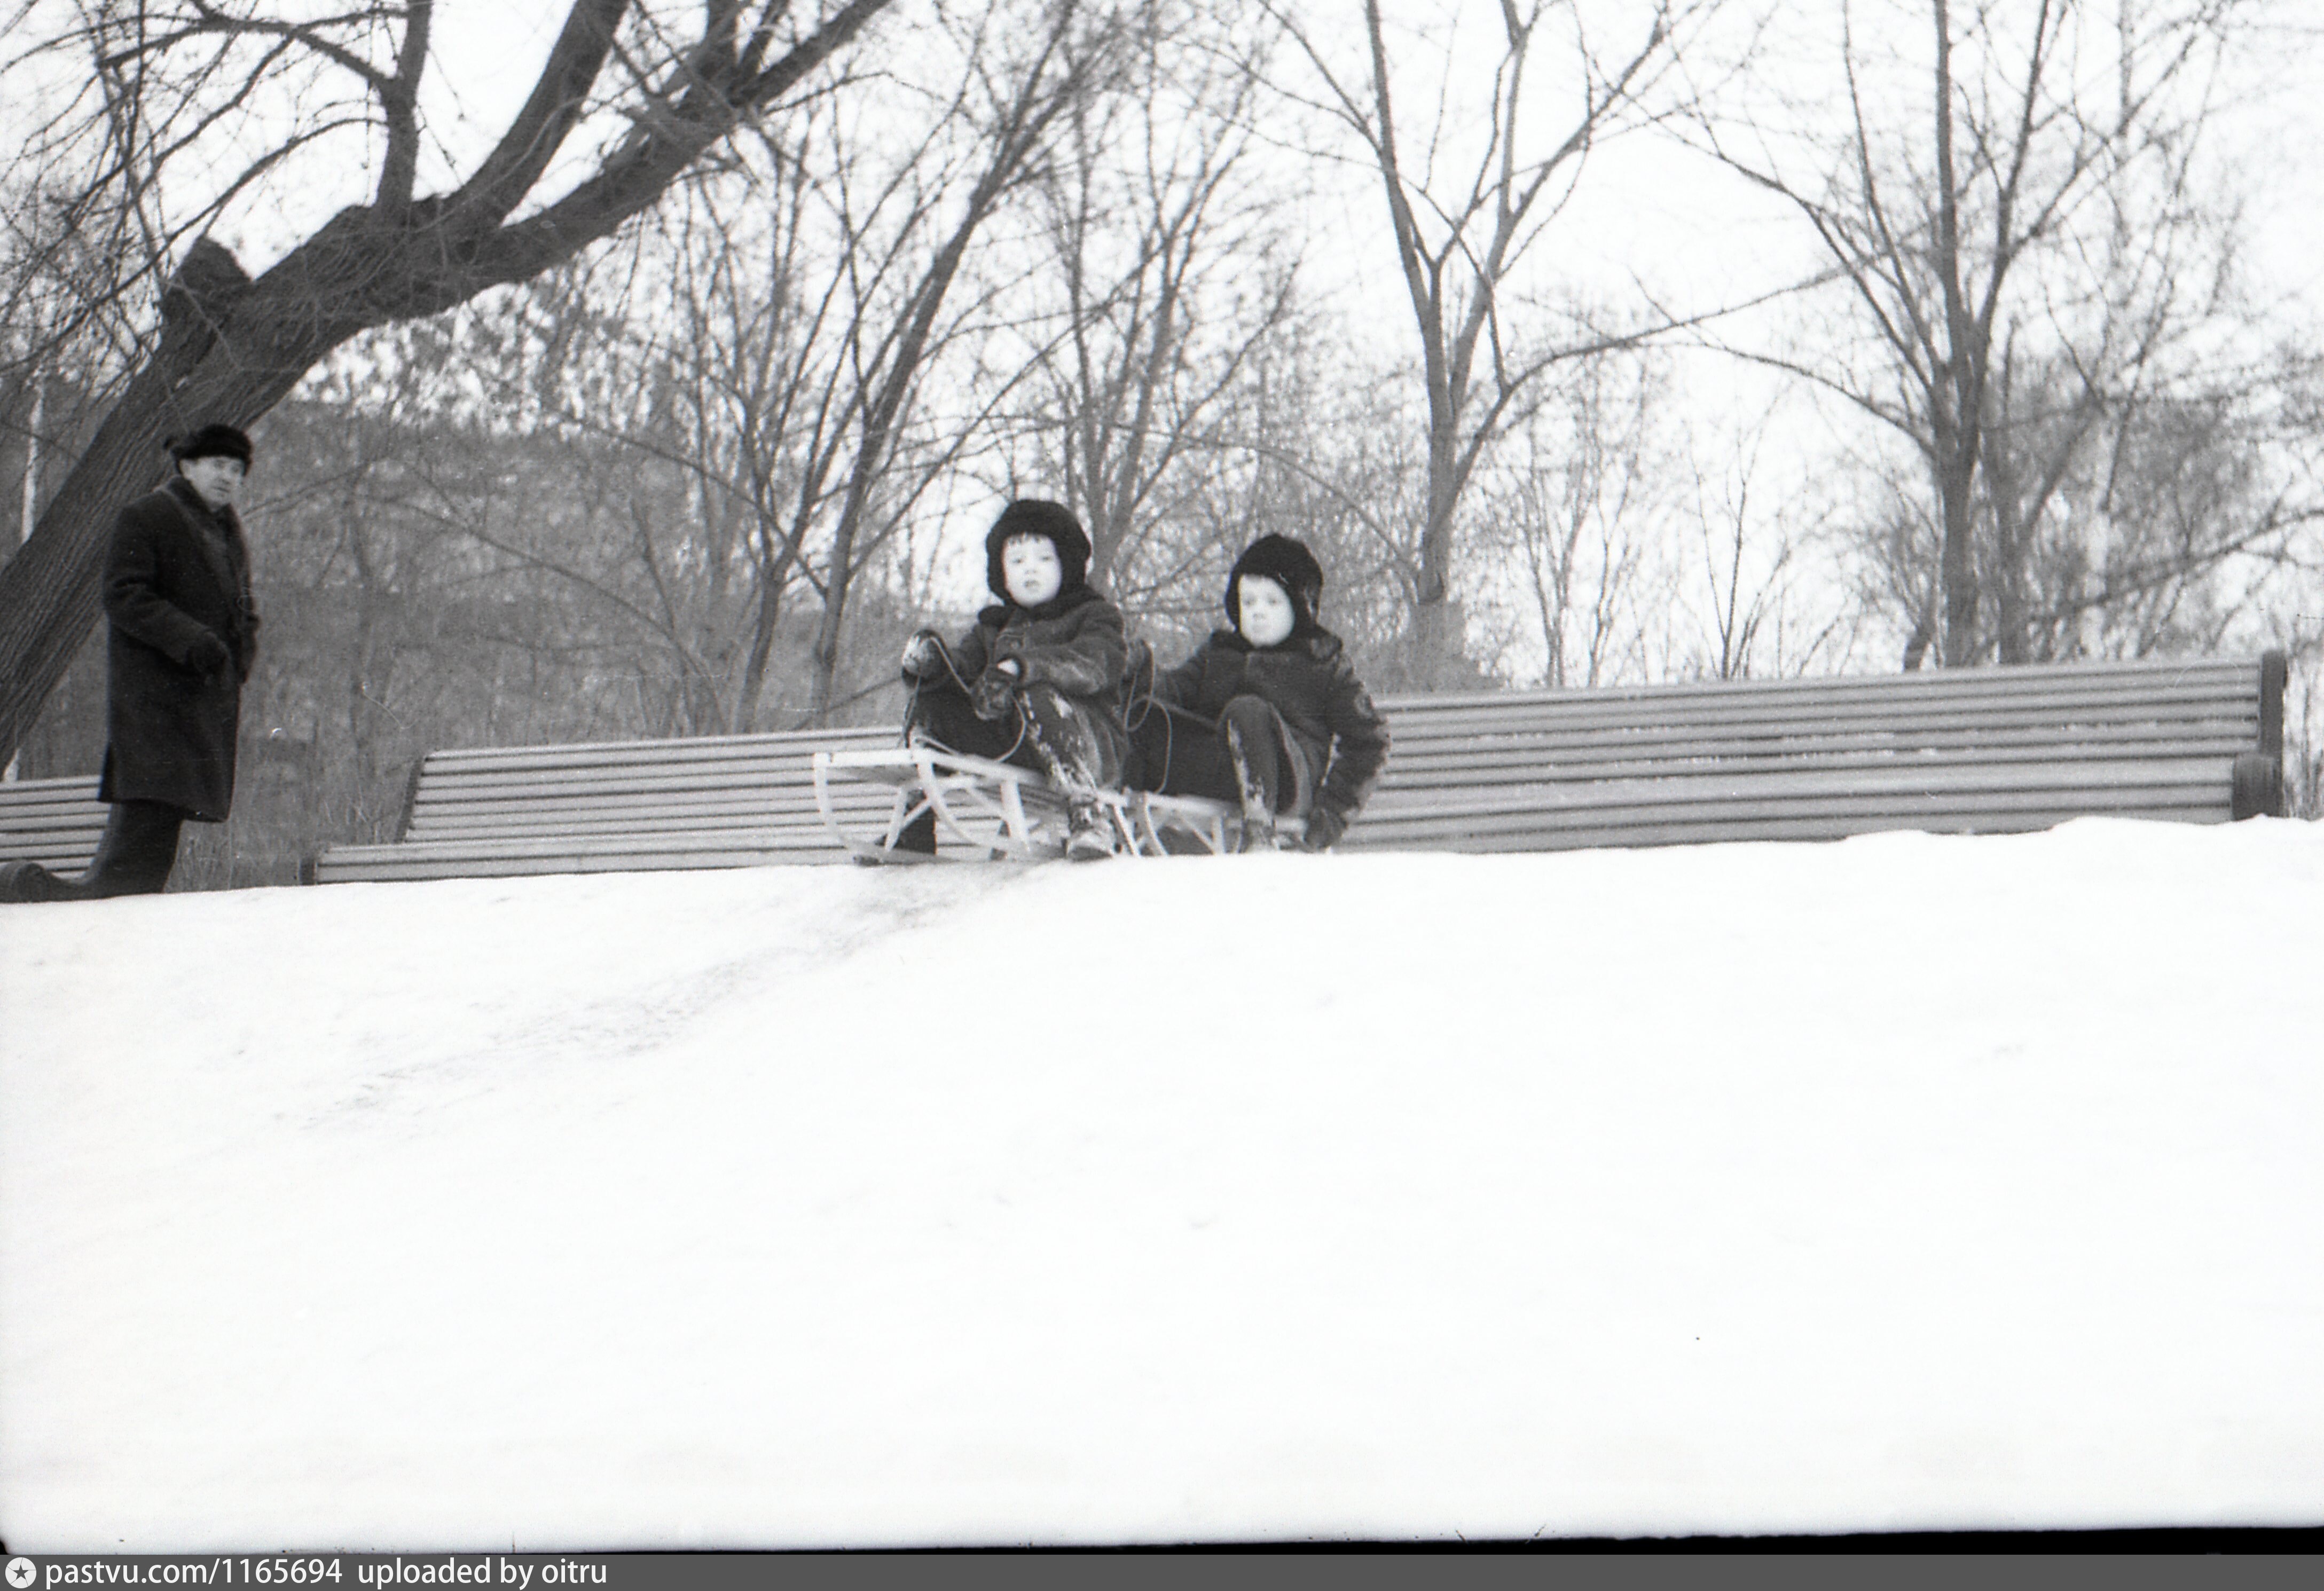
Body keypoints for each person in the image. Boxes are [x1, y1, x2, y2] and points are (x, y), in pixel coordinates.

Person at [0, 423, 261, 904]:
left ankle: (127, 903)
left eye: (237, 470)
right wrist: (192, 641)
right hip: (155, 695)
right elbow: (124, 595)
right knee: (150, 802)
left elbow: (242, 604)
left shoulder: (227, 530)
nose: (228, 477)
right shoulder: (149, 515)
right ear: (187, 466)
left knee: (167, 807)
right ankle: (97, 898)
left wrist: (241, 653)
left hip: (200, 694)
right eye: (217, 465)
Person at [894, 499, 1131, 861]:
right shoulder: (993, 628)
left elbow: (1091, 664)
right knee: (933, 704)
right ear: (1002, 573)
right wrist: (932, 664)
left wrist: (1020, 668)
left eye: (1043, 559)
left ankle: (1088, 816)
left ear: (1066, 564)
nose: (1029, 571)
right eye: (1017, 561)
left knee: (1037, 693)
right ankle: (915, 824)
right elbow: (964, 670)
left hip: (1084, 744)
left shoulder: (1095, 616)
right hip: (1016, 746)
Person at [1131, 533, 1388, 852]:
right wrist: (1138, 669)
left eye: (1272, 601)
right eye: (1248, 601)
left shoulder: (1321, 662)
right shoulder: (1219, 653)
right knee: (1146, 717)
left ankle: (1260, 830)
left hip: (1287, 781)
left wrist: (1331, 815)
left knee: (1248, 711)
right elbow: (1173, 691)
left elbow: (1370, 742)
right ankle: (1105, 813)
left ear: (1300, 607)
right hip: (1221, 770)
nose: (1257, 612)